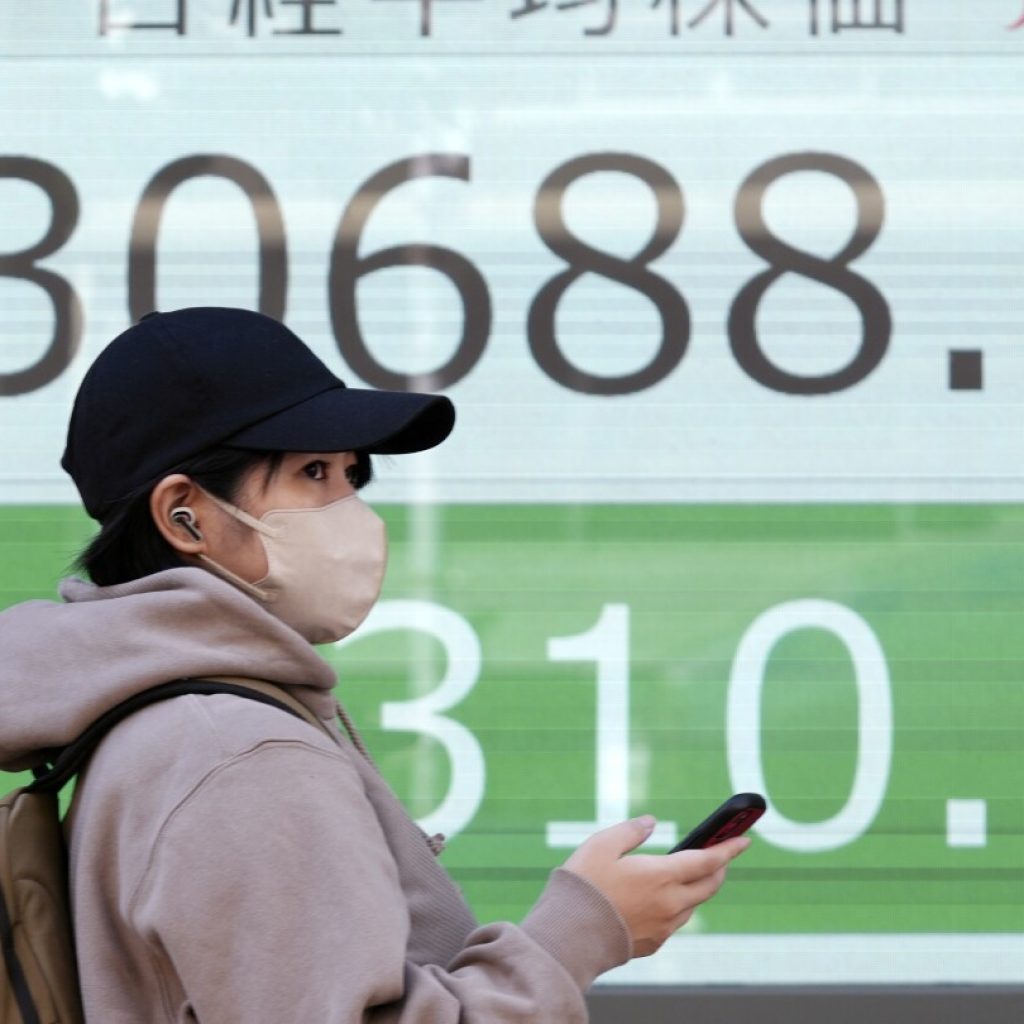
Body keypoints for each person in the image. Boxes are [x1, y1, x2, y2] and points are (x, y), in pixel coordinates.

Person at [0, 307, 748, 1023]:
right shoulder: (239, 756)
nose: (351, 505)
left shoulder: (168, 721)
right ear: (184, 515)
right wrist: (585, 928)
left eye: (352, 474)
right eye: (313, 473)